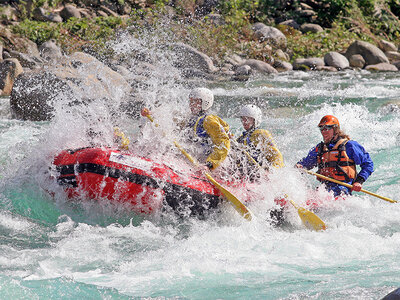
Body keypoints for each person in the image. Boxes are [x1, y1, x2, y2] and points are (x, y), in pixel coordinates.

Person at [296, 115, 374, 197]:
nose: (323, 131)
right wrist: (299, 166)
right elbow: (305, 164)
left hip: (342, 191)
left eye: (327, 128)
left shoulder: (350, 146)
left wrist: (359, 181)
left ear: (335, 129)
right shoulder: (319, 149)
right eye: (321, 129)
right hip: (324, 190)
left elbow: (368, 164)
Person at [182, 87, 231, 172]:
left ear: (205, 103)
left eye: (195, 101)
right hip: (195, 157)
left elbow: (223, 143)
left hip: (211, 162)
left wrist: (209, 165)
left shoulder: (209, 120)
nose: (191, 104)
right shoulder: (190, 118)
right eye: (191, 101)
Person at [236, 104, 284, 174]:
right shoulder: (241, 138)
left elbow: (276, 155)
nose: (244, 121)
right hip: (246, 172)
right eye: (243, 118)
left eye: (248, 119)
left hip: (261, 172)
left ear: (256, 120)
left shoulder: (261, 134)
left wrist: (274, 171)